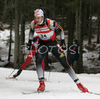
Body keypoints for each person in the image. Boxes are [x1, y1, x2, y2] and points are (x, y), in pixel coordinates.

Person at [28, 9, 88, 93]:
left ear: (42, 17)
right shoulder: (33, 24)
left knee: (65, 64)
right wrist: (29, 42)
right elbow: (31, 31)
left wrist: (63, 41)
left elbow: (61, 30)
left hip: (53, 44)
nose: (36, 20)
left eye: (38, 18)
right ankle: (41, 84)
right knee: (38, 60)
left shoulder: (50, 23)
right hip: (42, 44)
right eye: (35, 18)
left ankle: (79, 84)